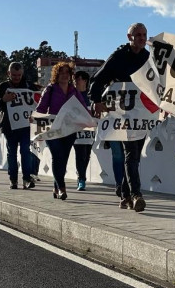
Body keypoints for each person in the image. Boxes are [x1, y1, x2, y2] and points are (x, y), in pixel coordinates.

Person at [88, 23, 150, 212]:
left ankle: (124, 195)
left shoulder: (149, 58)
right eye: (138, 34)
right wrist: (96, 101)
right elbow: (98, 79)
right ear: (129, 37)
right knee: (131, 153)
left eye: (144, 34)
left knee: (135, 156)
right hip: (122, 114)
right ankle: (137, 194)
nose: (141, 38)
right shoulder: (118, 57)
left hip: (142, 114)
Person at [35, 61, 87, 200]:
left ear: (70, 75)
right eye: (61, 72)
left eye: (67, 72)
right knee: (57, 156)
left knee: (62, 159)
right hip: (53, 129)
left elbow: (82, 107)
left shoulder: (74, 90)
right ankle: (62, 188)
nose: (64, 75)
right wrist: (35, 119)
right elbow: (40, 109)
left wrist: (91, 118)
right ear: (56, 75)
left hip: (69, 130)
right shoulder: (50, 89)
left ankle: (56, 186)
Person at [0, 62, 36, 190]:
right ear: (8, 73)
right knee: (12, 153)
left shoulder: (29, 85)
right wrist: (3, 100)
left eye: (19, 75)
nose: (17, 77)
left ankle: (27, 178)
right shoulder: (3, 86)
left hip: (26, 125)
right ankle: (13, 179)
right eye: (14, 75)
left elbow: (38, 101)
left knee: (25, 151)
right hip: (9, 126)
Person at [72, 70, 93, 191]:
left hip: (90, 130)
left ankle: (81, 174)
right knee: (80, 154)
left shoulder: (90, 96)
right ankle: (82, 179)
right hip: (76, 130)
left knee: (87, 155)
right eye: (74, 80)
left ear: (85, 81)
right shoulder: (71, 95)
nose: (75, 82)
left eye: (78, 79)